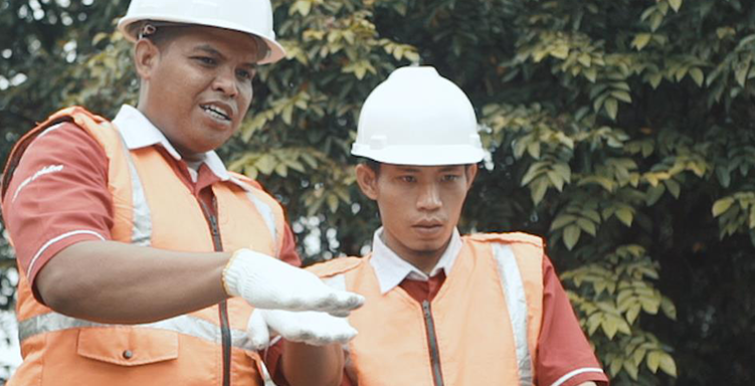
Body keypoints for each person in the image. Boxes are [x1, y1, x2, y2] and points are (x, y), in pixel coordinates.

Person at [0, 1, 365, 385]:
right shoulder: (78, 147)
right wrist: (234, 272)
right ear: (146, 58)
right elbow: (65, 273)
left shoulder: (260, 210)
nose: (229, 85)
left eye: (244, 73)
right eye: (207, 61)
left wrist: (309, 327)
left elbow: (312, 382)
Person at [308, 66, 610, 386]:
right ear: (369, 182)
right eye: (408, 178)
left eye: (448, 177)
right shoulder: (326, 295)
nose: (430, 200)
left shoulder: (521, 271)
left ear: (470, 177)